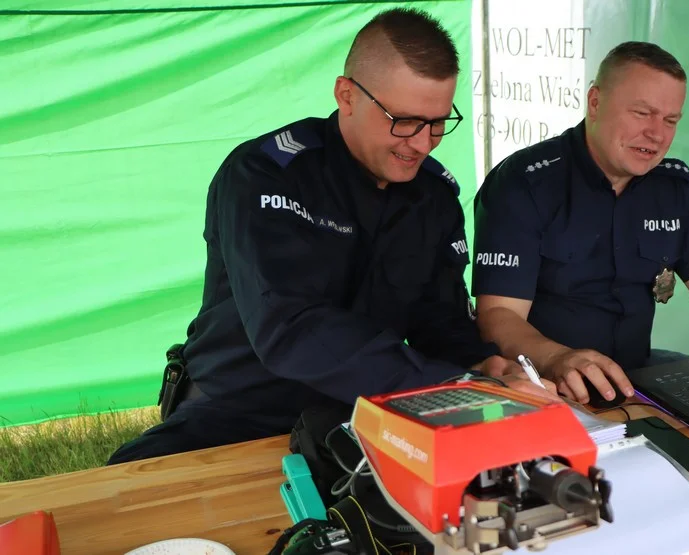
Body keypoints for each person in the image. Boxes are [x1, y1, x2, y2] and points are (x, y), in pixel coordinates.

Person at [108, 8, 557, 465]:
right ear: (346, 95)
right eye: (404, 121)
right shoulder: (266, 176)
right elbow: (292, 329)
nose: (422, 143)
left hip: (366, 414)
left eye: (438, 122)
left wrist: (484, 365)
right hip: (238, 414)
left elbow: (437, 319)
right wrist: (447, 386)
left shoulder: (433, 196)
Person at [470, 41, 689, 406]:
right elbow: (498, 315)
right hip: (543, 385)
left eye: (670, 120)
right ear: (595, 101)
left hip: (637, 376)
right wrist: (558, 358)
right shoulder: (524, 183)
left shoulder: (674, 186)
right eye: (642, 113)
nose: (657, 134)